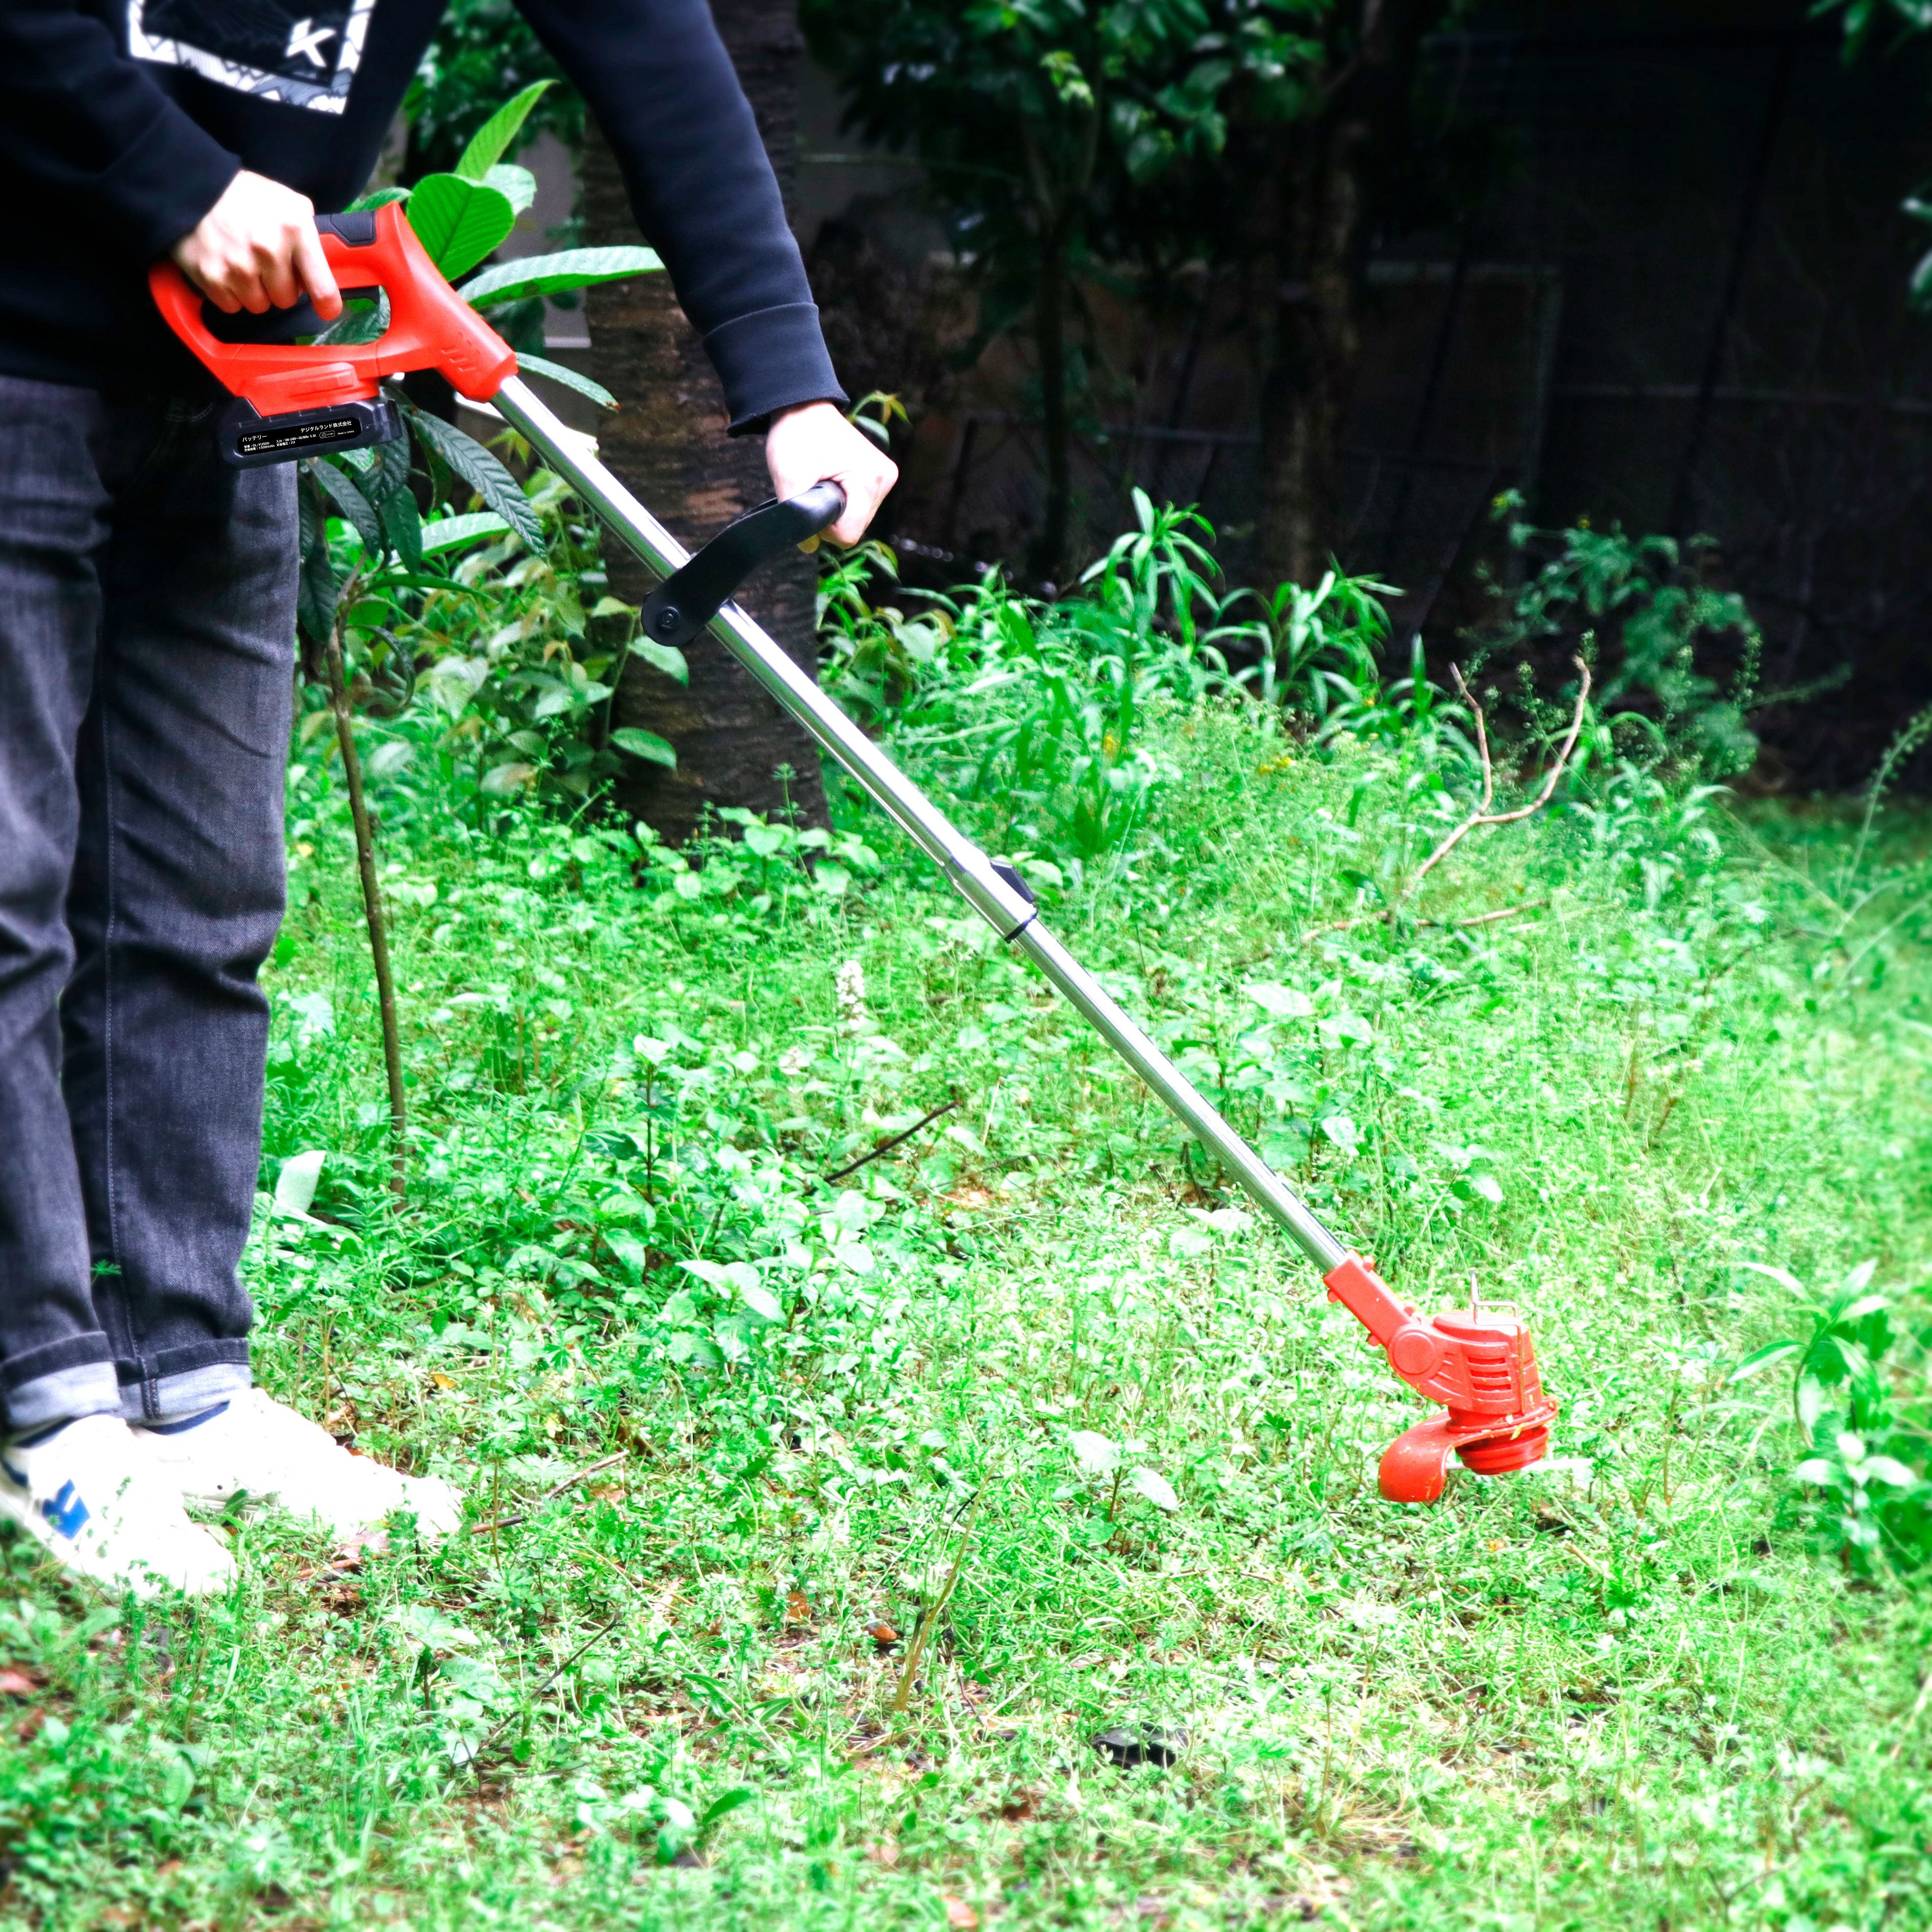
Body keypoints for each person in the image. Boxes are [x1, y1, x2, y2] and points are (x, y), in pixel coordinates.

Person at [0, 0, 897, 1597]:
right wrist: (172, 179)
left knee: (198, 900)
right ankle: (49, 1412)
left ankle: (178, 1390)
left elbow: (656, 53)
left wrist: (790, 386)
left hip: (234, 383)